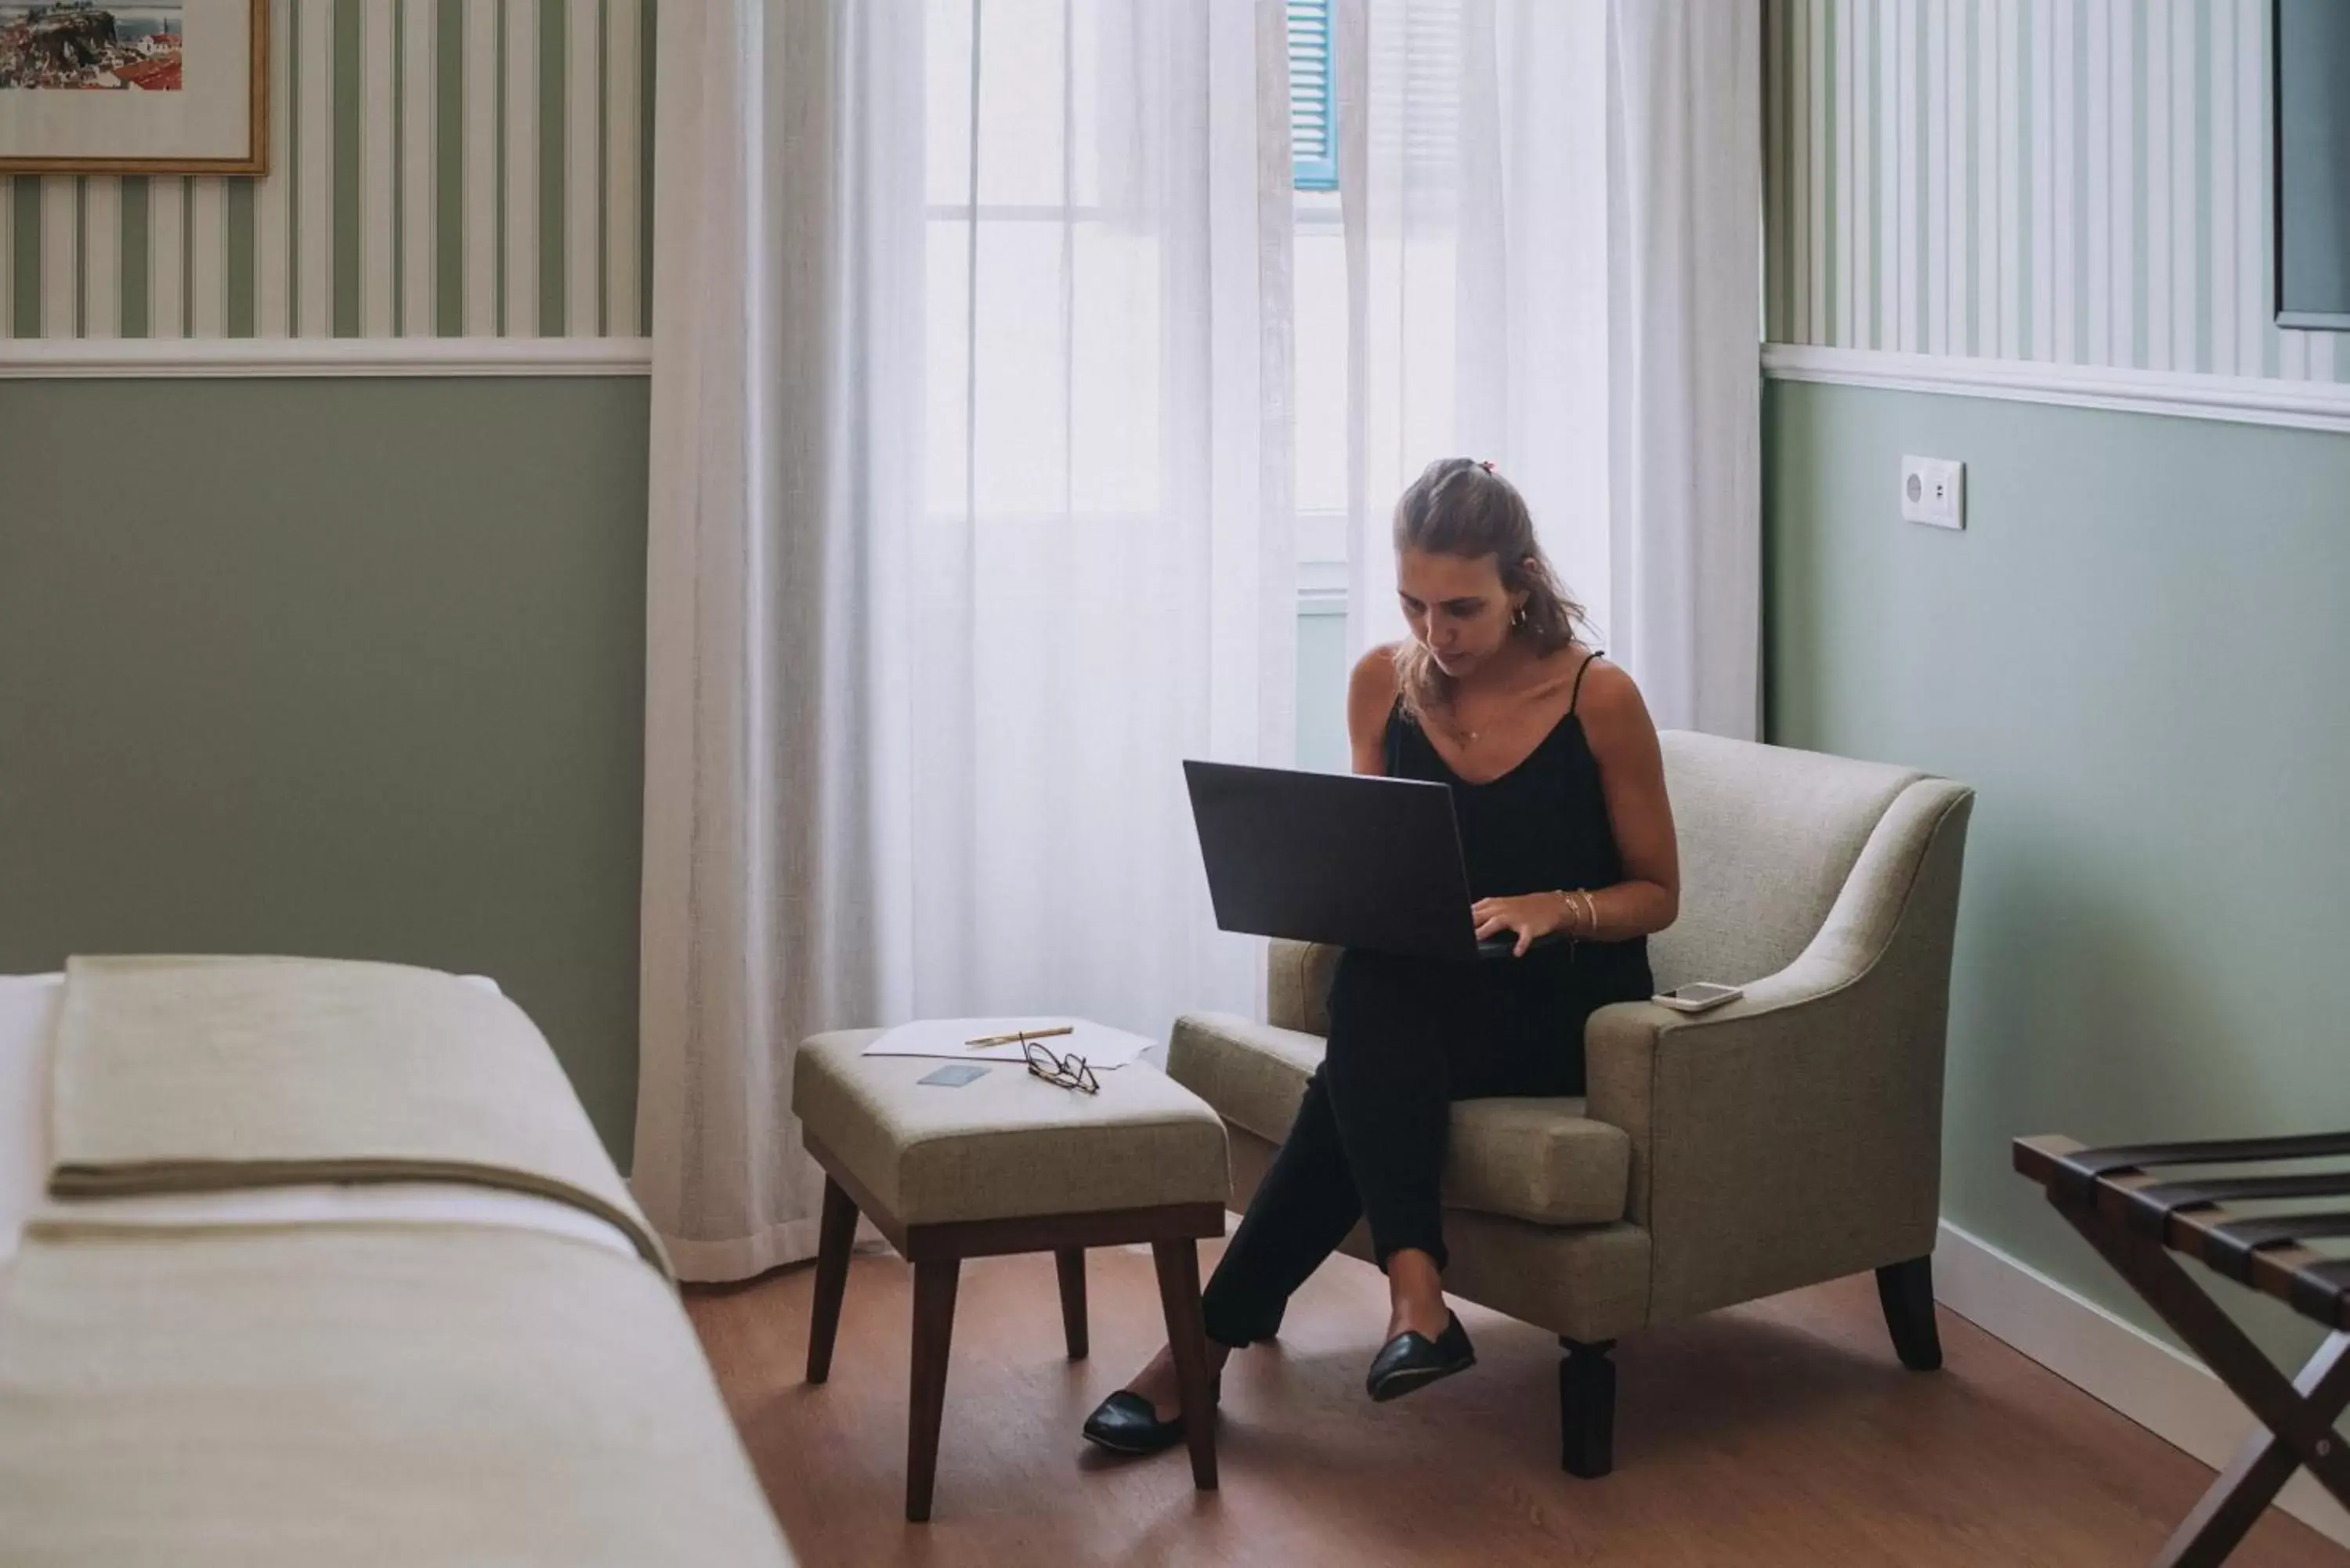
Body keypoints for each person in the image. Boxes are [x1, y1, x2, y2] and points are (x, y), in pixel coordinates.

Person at [1082, 456, 1682, 1455]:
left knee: (1364, 1039)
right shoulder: (1382, 683)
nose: (1435, 635)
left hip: (1567, 1000)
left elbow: (1657, 894)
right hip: (1431, 984)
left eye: (1462, 609)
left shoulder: (1598, 696)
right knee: (1381, 989)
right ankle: (1412, 1302)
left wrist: (1557, 905)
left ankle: (1203, 1353)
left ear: (1521, 584)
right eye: (1413, 604)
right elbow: (1378, 858)